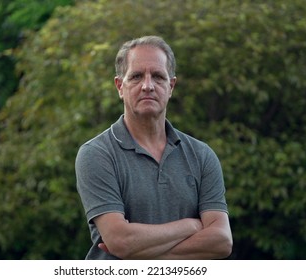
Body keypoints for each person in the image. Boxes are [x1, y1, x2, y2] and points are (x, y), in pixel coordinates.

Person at [75, 35, 233, 260]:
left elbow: (221, 242)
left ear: (171, 86)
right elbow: (121, 241)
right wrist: (191, 226)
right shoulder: (97, 154)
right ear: (120, 86)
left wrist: (139, 252)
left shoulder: (201, 155)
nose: (147, 86)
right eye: (137, 76)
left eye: (158, 76)